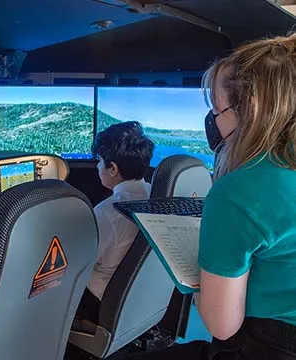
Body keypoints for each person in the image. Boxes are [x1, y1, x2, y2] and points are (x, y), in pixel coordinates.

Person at [125, 34, 296, 359]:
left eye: (218, 110)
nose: (213, 122)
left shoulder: (241, 191)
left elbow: (222, 325)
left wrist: (206, 275)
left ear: (252, 108)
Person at [76, 121, 155, 323]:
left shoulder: (107, 214)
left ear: (113, 168)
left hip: (102, 301)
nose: (97, 167)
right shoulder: (154, 195)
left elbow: (77, 266)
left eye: (100, 161)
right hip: (139, 295)